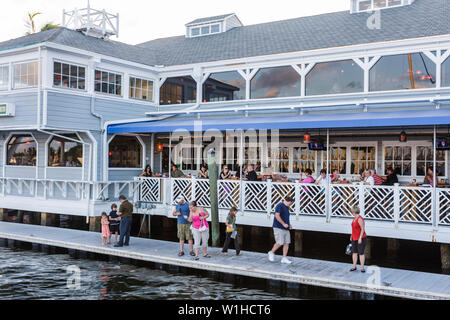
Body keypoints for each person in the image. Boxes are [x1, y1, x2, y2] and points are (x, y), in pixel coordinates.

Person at [268, 197, 294, 264]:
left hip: (286, 228)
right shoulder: (279, 205)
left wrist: (289, 224)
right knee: (280, 242)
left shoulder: (287, 208)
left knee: (287, 243)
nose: (290, 205)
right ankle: (271, 252)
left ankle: (284, 258)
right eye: (290, 203)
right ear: (286, 201)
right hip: (278, 227)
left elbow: (286, 217)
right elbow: (277, 215)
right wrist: (283, 224)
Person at [349, 206, 367, 273]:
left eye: (352, 211)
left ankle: (362, 268)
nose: (351, 212)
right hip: (354, 237)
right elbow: (354, 228)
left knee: (361, 253)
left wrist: (360, 238)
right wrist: (351, 235)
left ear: (354, 211)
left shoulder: (359, 219)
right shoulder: (354, 218)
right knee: (354, 252)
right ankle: (354, 266)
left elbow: (362, 229)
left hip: (361, 238)